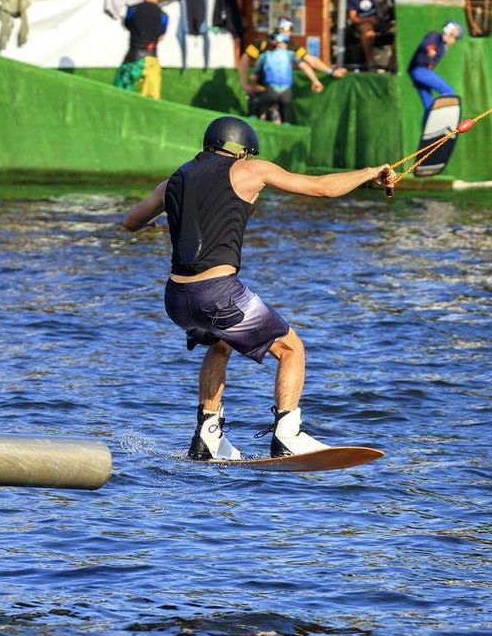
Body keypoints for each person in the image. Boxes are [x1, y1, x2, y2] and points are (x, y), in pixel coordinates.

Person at [120, 116, 398, 460]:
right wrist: (370, 172)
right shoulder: (250, 171)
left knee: (220, 343)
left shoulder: (173, 180)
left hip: (176, 299)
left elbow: (131, 221)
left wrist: (162, 220)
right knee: (291, 349)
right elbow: (323, 187)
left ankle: (207, 435)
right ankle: (288, 435)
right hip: (218, 293)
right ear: (241, 152)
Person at [238, 17, 345, 98]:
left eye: (288, 31)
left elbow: (308, 60)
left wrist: (330, 71)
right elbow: (245, 58)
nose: (286, 34)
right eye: (282, 30)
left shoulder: (291, 46)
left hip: (282, 88)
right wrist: (244, 84)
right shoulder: (262, 43)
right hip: (261, 88)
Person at [251, 32, 322, 124]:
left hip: (272, 89)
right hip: (283, 90)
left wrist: (254, 85)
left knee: (261, 110)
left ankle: (257, 119)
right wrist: (315, 81)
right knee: (284, 114)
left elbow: (254, 75)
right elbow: (304, 66)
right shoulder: (289, 55)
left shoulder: (266, 56)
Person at [114, 0, 168, 99]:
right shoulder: (163, 16)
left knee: (119, 92)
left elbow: (127, 24)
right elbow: (161, 36)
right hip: (152, 59)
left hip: (133, 56)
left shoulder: (133, 9)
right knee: (152, 98)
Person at [408, 20, 462, 112]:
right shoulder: (434, 36)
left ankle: (430, 124)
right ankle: (444, 115)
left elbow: (432, 63)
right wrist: (430, 49)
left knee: (429, 106)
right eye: (454, 38)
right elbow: (426, 44)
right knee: (448, 91)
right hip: (420, 70)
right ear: (449, 32)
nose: (453, 41)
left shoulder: (442, 46)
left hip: (419, 73)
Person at [347, 0, 392, 71]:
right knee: (368, 33)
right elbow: (353, 18)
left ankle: (391, 63)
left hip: (377, 21)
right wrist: (368, 19)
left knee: (397, 30)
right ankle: (370, 61)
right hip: (361, 22)